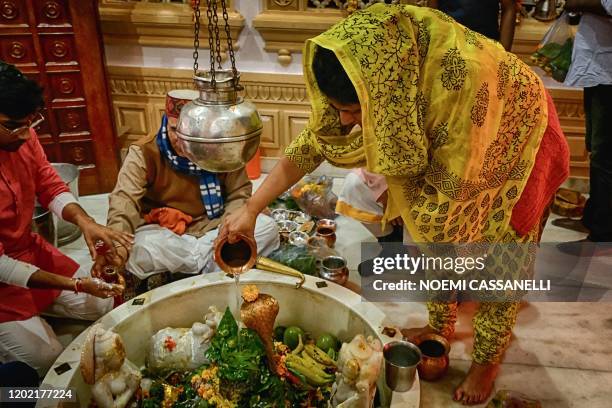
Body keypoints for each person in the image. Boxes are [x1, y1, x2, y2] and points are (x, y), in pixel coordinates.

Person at [218, 4, 569, 404]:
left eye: (352, 112)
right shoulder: (381, 61)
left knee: (495, 260)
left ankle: (485, 361)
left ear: (385, 105)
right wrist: (250, 210)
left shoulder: (462, 85)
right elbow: (316, 143)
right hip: (458, 130)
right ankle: (441, 327)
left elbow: (446, 220)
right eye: (337, 110)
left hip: (514, 140)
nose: (345, 122)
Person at [0, 62, 129, 376]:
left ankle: (41, 312)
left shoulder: (22, 136)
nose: (26, 132)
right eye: (15, 125)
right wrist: (75, 284)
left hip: (30, 251)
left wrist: (88, 223)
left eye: (31, 122)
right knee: (49, 360)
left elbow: (49, 184)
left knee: (104, 303)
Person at [95, 90, 279, 288]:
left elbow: (239, 193)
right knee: (138, 248)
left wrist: (227, 231)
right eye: (175, 130)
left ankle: (202, 274)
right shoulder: (145, 152)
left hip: (213, 229)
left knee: (266, 227)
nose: (182, 139)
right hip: (168, 236)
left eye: (190, 131)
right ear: (166, 122)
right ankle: (211, 270)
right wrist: (117, 246)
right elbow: (124, 201)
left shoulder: (221, 145)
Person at [560, 0, 612, 245]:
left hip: (608, 69)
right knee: (596, 147)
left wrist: (576, 2)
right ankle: (594, 215)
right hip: (598, 65)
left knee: (604, 153)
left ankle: (603, 230)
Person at [428, 0, 518, 51]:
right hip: (447, 45)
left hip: (486, 47)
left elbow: (509, 6)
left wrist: (505, 53)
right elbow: (432, 9)